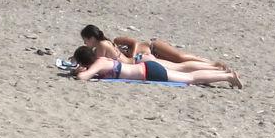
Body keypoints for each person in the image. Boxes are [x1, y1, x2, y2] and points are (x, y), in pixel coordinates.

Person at [72, 45, 241, 87]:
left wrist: (79, 71)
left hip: (149, 72)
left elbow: (82, 78)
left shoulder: (99, 63)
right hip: (147, 67)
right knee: (184, 70)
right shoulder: (101, 60)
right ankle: (220, 71)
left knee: (191, 78)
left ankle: (227, 77)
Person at [80, 25, 220, 68]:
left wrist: (133, 55)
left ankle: (210, 63)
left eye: (85, 40)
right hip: (146, 56)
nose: (85, 43)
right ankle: (212, 65)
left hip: (152, 47)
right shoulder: (102, 46)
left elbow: (134, 42)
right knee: (178, 63)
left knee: (180, 58)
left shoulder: (113, 41)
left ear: (91, 38)